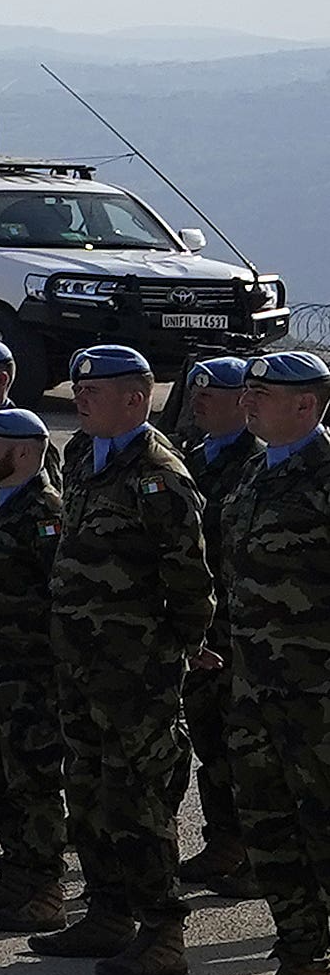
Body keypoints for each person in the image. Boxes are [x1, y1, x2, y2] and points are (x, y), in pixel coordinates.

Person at [35, 344, 213, 975]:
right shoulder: (85, 453)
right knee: (86, 789)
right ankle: (108, 912)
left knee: (137, 796)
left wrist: (170, 656)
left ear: (136, 398)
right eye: (78, 391)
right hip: (81, 661)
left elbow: (192, 584)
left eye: (94, 392)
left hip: (135, 671)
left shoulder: (158, 474)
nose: (79, 400)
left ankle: (162, 931)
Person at [211, 348, 330, 975]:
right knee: (272, 835)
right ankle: (305, 973)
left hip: (317, 699)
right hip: (258, 692)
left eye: (261, 393)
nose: (247, 401)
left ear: (305, 406)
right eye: (248, 390)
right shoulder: (259, 470)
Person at [0, 405, 73, 932]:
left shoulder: (43, 512)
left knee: (34, 781)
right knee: (1, 779)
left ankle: (45, 887)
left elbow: (58, 594)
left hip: (29, 674)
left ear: (23, 452)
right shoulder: (0, 502)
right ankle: (15, 874)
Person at [173, 356, 262, 900]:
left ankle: (258, 850)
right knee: (211, 736)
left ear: (243, 402)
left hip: (244, 629)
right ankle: (225, 840)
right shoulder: (196, 459)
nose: (199, 401)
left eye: (214, 394)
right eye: (196, 393)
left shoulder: (255, 463)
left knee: (249, 748)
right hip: (207, 628)